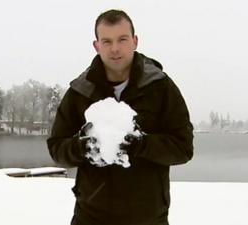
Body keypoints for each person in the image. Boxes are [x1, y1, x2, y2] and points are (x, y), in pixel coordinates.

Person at [47, 9, 194, 225]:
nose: (115, 48)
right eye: (106, 41)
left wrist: (142, 144)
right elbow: (56, 148)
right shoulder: (80, 91)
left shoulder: (161, 88)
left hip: (148, 218)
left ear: (135, 41)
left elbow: (183, 148)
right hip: (90, 217)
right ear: (96, 46)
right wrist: (81, 147)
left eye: (122, 39)